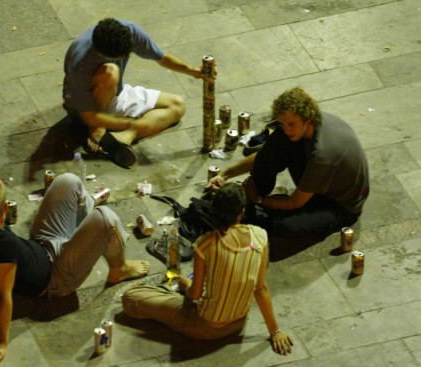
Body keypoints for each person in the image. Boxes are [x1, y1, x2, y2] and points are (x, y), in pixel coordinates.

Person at [0, 174, 150, 364]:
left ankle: (89, 235)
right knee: (106, 217)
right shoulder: (2, 248)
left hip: (42, 244)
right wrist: (1, 342)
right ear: (3, 210)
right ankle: (119, 268)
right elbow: (1, 296)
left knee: (68, 181)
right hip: (57, 278)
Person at [121, 183, 293, 355]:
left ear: (215, 211)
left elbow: (195, 295)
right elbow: (260, 288)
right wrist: (275, 331)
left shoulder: (205, 244)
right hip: (238, 323)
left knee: (131, 298)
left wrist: (186, 284)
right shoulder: (260, 236)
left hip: (205, 326)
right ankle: (168, 295)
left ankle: (167, 292)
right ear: (242, 212)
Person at [205, 87, 369, 240]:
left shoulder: (321, 154)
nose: (287, 129)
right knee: (280, 139)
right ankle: (257, 194)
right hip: (322, 179)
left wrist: (259, 200)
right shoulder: (305, 126)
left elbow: (294, 202)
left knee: (281, 228)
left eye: (291, 124)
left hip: (339, 205)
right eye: (283, 123)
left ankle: (258, 202)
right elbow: (264, 155)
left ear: (307, 118)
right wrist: (225, 174)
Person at [62, 18, 206, 167]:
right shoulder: (81, 60)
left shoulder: (128, 31)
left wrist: (192, 70)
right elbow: (86, 113)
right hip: (83, 105)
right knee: (111, 72)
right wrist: (111, 123)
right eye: (122, 55)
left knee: (178, 105)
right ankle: (97, 130)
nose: (128, 56)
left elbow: (161, 58)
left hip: (115, 92)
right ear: (102, 54)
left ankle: (124, 137)